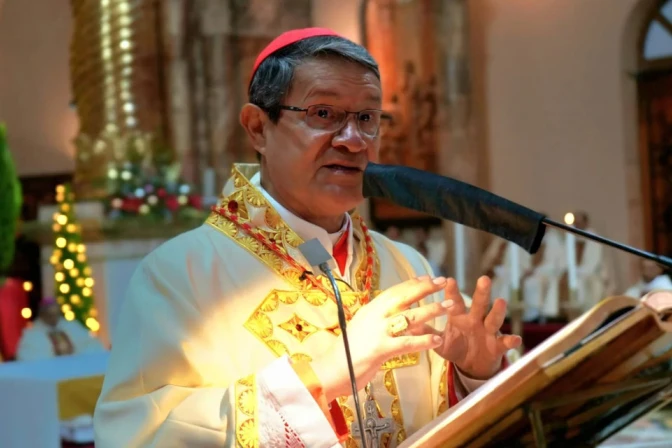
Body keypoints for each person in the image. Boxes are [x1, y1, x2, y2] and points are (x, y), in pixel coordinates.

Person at [93, 28, 521, 447]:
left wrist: (473, 374)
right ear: (258, 127)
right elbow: (140, 434)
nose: (353, 141)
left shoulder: (407, 267)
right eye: (323, 114)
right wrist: (323, 376)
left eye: (367, 118)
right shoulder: (179, 275)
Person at [16, 298, 105, 361]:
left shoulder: (71, 326)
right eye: (50, 315)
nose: (53, 318)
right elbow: (29, 358)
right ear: (42, 315)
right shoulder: (33, 334)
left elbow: (90, 346)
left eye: (56, 314)